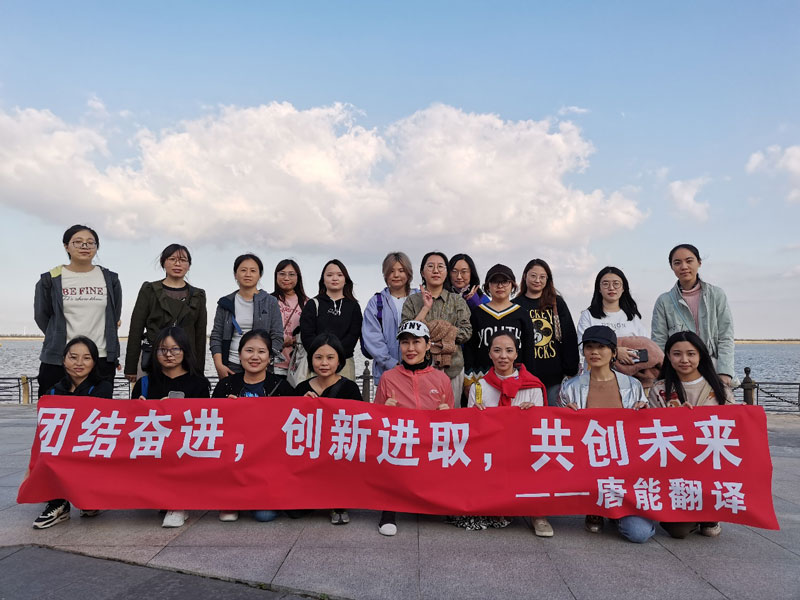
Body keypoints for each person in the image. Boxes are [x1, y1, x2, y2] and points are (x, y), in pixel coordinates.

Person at [559, 326, 654, 543]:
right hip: (587, 464)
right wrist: (566, 415)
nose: (594, 352)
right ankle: (595, 507)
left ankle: (614, 510)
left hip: (625, 469)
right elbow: (561, 433)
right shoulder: (570, 387)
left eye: (601, 347)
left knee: (639, 533)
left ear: (613, 352)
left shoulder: (633, 386)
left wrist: (644, 414)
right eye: (589, 347)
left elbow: (642, 432)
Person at [456, 331, 547, 534]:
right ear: (490, 354)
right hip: (490, 452)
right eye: (497, 350)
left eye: (509, 350)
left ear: (516, 354)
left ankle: (538, 514)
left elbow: (540, 428)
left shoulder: (533, 386)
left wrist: (532, 414)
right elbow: (472, 430)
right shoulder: (480, 386)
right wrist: (475, 415)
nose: (503, 356)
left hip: (522, 450)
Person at [648, 330, 735, 540]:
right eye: (677, 354)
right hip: (675, 464)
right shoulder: (659, 389)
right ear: (668, 356)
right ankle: (695, 514)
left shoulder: (719, 388)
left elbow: (734, 427)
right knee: (677, 531)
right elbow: (650, 428)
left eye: (691, 354)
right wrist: (674, 419)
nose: (684, 360)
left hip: (709, 462)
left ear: (701, 356)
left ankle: (710, 513)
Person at [374, 320, 454, 536]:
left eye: (416, 342)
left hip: (429, 444)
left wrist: (446, 413)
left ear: (428, 345)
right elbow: (375, 422)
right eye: (405, 343)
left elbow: (452, 424)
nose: (410, 348)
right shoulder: (388, 378)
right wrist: (384, 410)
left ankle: (437, 497)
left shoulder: (441, 379)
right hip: (401, 445)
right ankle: (388, 510)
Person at [212, 329, 294, 523]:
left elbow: (294, 424)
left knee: (264, 515)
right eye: (249, 351)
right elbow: (212, 425)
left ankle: (254, 496)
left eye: (261, 352)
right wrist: (226, 411)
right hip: (234, 460)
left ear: (269, 357)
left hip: (268, 463)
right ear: (239, 354)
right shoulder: (225, 386)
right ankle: (234, 496)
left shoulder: (282, 387)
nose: (255, 357)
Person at [132, 327, 210, 528]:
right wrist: (141, 410)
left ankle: (178, 504)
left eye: (175, 349)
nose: (168, 354)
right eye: (162, 349)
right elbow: (131, 422)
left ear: (185, 350)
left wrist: (178, 411)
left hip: (185, 444)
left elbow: (205, 420)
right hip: (154, 444)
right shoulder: (144, 383)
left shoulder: (199, 383)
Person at [32, 337, 114, 529]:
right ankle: (58, 503)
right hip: (62, 446)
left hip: (89, 444)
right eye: (73, 357)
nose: (79, 363)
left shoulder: (102, 387)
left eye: (86, 358)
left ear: (94, 362)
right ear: (63, 360)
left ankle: (88, 496)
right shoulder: (53, 392)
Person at [34, 224, 122, 397]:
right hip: (59, 358)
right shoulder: (50, 279)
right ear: (66, 246)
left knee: (98, 410)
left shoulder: (110, 279)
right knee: (54, 409)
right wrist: (57, 335)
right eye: (78, 242)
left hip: (100, 357)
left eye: (90, 242)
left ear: (96, 247)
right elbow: (42, 316)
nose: (85, 246)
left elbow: (114, 314)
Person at [293, 333, 363, 525]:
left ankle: (338, 501)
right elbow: (290, 425)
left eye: (330, 357)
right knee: (294, 513)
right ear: (311, 360)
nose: (324, 363)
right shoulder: (301, 389)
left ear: (339, 360)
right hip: (310, 453)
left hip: (338, 452)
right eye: (318, 357)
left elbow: (361, 422)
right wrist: (301, 405)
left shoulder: (350, 388)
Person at [651, 244, 735, 387]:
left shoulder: (716, 295)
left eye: (689, 261)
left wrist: (725, 372)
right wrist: (662, 375)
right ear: (672, 267)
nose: (684, 266)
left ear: (699, 262)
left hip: (713, 369)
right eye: (677, 263)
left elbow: (725, 335)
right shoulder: (664, 301)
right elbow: (659, 341)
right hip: (678, 372)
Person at [125, 244, 207, 381]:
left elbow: (200, 336)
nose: (177, 264)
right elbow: (135, 329)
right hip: (153, 359)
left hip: (186, 362)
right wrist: (130, 368)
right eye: (172, 259)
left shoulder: (198, 295)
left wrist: (199, 372)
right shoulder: (150, 290)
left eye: (183, 260)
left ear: (189, 265)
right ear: (163, 262)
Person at [401, 252, 472, 403]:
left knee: (450, 412)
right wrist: (425, 309)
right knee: (421, 411)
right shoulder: (412, 301)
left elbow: (466, 332)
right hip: (419, 367)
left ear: (446, 272)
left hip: (452, 368)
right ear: (422, 272)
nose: (436, 271)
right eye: (430, 266)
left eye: (440, 267)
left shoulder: (457, 301)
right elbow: (405, 332)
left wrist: (440, 332)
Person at [513, 258, 579, 406]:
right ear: (525, 276)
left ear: (548, 279)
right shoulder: (516, 305)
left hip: (554, 377)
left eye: (542, 277)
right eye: (533, 276)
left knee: (553, 416)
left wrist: (571, 369)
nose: (537, 280)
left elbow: (569, 336)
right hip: (525, 378)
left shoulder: (556, 303)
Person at [463, 264, 536, 392]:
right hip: (482, 380)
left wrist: (527, 379)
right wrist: (468, 381)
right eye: (495, 281)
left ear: (512, 285)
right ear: (488, 286)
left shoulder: (522, 314)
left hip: (515, 380)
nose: (500, 286)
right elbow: (470, 349)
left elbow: (529, 350)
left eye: (505, 281)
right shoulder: (477, 313)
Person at [210, 254, 283, 379]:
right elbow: (216, 336)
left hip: (261, 364)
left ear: (259, 275)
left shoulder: (270, 302)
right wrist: (219, 365)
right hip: (231, 364)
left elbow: (277, 336)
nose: (248, 274)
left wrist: (266, 360)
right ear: (235, 274)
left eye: (253, 271)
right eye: (243, 270)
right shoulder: (225, 302)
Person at [299, 259, 363, 381]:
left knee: (344, 393)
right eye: (329, 275)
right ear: (323, 280)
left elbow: (353, 335)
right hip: (318, 363)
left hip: (344, 362)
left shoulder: (353, 306)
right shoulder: (313, 304)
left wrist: (335, 356)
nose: (334, 278)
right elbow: (307, 335)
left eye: (339, 275)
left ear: (345, 280)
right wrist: (323, 355)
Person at [361, 252, 419, 385]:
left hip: (417, 372)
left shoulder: (420, 298)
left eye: (401, 270)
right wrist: (391, 364)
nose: (396, 275)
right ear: (385, 274)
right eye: (391, 271)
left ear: (408, 273)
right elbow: (372, 337)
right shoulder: (376, 302)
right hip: (386, 374)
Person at [577, 266, 647, 367]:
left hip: (629, 372)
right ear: (599, 288)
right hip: (596, 373)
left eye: (616, 283)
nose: (611, 288)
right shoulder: (588, 315)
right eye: (606, 284)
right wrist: (616, 352)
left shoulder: (632, 317)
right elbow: (582, 347)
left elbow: (645, 346)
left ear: (623, 288)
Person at [271, 259, 309, 379]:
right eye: (282, 274)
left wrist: (294, 340)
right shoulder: (268, 300)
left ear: (298, 277)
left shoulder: (308, 303)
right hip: (273, 364)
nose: (286, 278)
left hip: (298, 364)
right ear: (276, 276)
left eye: (291, 274)